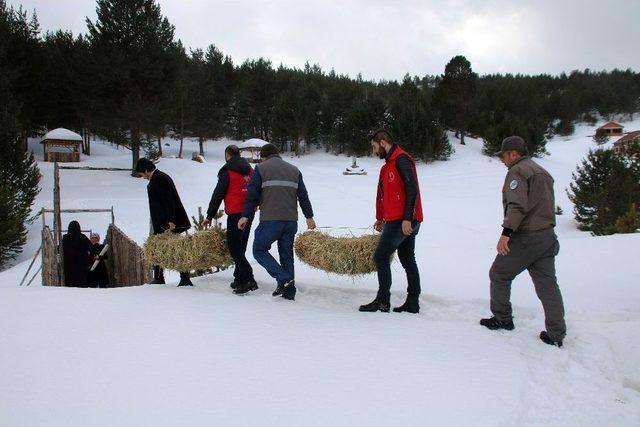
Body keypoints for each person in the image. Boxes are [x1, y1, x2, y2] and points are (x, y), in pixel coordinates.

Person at [480, 136, 566, 347]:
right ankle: (556, 333)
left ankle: (502, 318)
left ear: (514, 154)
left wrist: (506, 233)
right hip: (546, 236)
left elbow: (517, 206)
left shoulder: (517, 172)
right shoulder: (542, 171)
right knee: (547, 285)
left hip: (527, 237)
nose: (502, 160)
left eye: (504, 155)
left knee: (499, 273)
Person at [235, 143, 316, 300]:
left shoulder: (261, 168)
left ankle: (283, 278)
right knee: (286, 255)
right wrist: (309, 217)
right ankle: (289, 293)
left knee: (259, 250)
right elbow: (303, 195)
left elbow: (252, 194)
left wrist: (245, 215)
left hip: (271, 220)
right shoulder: (294, 170)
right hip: (291, 220)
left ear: (263, 157)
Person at [359, 130, 423, 314]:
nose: (373, 151)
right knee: (407, 259)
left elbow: (412, 190)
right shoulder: (388, 166)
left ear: (383, 142)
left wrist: (407, 219)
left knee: (380, 256)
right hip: (398, 219)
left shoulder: (402, 160)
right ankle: (412, 302)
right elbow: (383, 195)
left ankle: (382, 300)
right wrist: (381, 218)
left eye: (374, 146)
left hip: (403, 220)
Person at [203, 145, 256, 291]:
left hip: (235, 213)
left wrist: (209, 215)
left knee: (233, 246)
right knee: (241, 245)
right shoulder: (250, 170)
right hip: (249, 212)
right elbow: (257, 188)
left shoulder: (227, 171)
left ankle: (249, 279)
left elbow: (218, 194)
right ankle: (240, 277)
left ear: (227, 154)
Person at [135, 158, 193, 287]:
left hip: (167, 222)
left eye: (141, 174)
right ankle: (161, 276)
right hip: (162, 221)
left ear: (145, 170)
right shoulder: (159, 177)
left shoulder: (159, 179)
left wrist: (170, 220)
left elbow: (168, 201)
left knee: (175, 248)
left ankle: (183, 277)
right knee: (157, 248)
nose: (142, 177)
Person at [62, 220, 92, 287]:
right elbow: (91, 248)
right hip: (82, 264)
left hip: (69, 265)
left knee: (70, 283)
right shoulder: (83, 237)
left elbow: (61, 249)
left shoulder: (65, 238)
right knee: (81, 283)